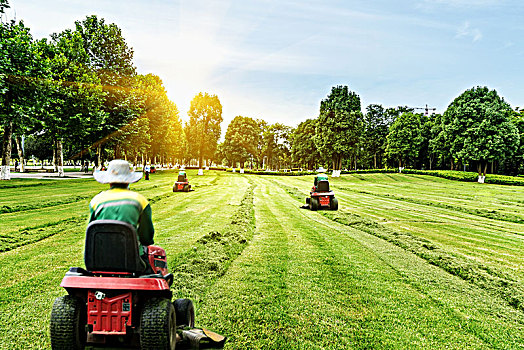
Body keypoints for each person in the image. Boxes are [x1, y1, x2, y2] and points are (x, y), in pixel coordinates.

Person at [89, 159, 154, 265]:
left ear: (109, 180)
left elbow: (92, 231)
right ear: (128, 180)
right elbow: (147, 236)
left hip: (101, 258)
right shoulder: (140, 201)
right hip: (132, 260)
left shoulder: (96, 201)